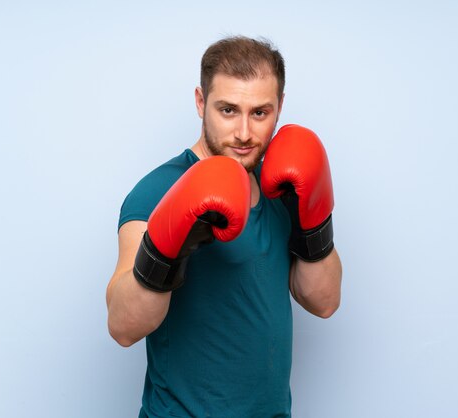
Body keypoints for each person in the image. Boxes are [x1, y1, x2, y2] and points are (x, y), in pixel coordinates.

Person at [106, 36, 342, 418]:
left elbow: (324, 301)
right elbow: (122, 327)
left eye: (260, 113)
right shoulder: (156, 192)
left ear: (280, 107)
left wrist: (315, 221)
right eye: (228, 110)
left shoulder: (283, 186)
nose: (245, 133)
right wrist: (165, 250)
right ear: (201, 102)